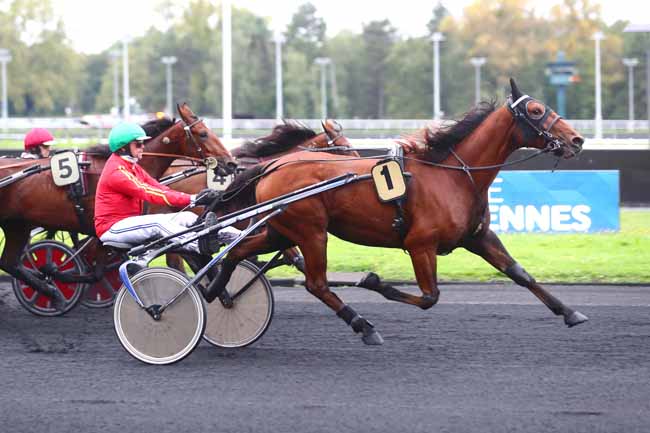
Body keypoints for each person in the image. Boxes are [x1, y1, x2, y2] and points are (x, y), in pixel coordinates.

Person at [94, 122, 238, 255]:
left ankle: (234, 235)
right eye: (138, 144)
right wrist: (193, 199)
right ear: (124, 148)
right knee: (158, 224)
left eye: (143, 143)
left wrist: (195, 198)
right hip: (111, 228)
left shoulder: (133, 167)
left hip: (129, 223)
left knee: (187, 217)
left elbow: (159, 187)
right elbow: (150, 193)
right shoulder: (117, 172)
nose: (143, 147)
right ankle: (197, 244)